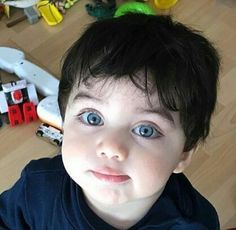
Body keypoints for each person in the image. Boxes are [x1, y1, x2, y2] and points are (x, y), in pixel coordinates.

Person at [0, 13, 220, 229]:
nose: (111, 147)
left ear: (184, 153)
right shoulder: (36, 189)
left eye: (146, 130)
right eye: (92, 118)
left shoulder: (196, 223)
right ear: (64, 120)